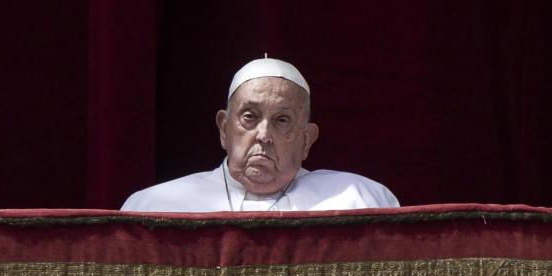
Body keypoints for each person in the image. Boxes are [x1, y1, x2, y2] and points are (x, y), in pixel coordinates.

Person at [121, 57, 398, 212]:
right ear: (223, 128)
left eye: (282, 120)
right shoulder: (153, 209)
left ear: (306, 140)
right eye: (249, 117)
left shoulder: (361, 202)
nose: (263, 135)